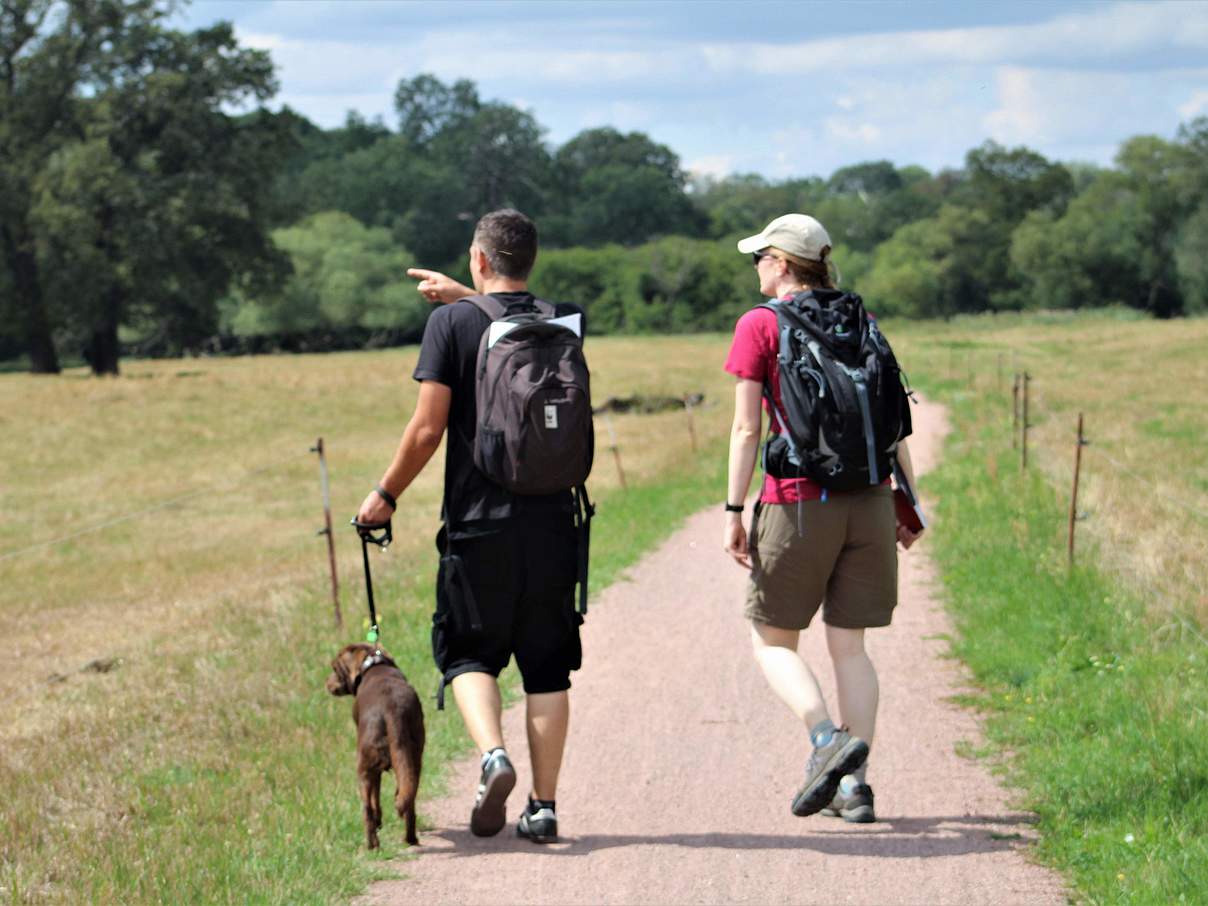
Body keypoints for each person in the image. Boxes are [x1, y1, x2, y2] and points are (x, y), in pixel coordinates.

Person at [356, 209, 585, 845]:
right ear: (531, 259)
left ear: (478, 260)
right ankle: (543, 807)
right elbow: (512, 314)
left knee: (467, 651)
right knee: (547, 669)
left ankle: (492, 755)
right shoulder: (566, 319)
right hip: (556, 520)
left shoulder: (449, 324)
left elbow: (428, 430)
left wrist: (384, 494)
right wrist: (472, 294)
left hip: (478, 522)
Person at [722, 213, 921, 824]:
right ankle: (854, 788)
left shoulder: (760, 324)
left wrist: (733, 509)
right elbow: (893, 420)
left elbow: (747, 427)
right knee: (851, 650)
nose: (754, 265)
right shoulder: (862, 318)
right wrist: (906, 500)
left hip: (798, 503)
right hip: (869, 498)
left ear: (782, 262)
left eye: (760, 256)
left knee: (772, 640)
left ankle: (823, 742)